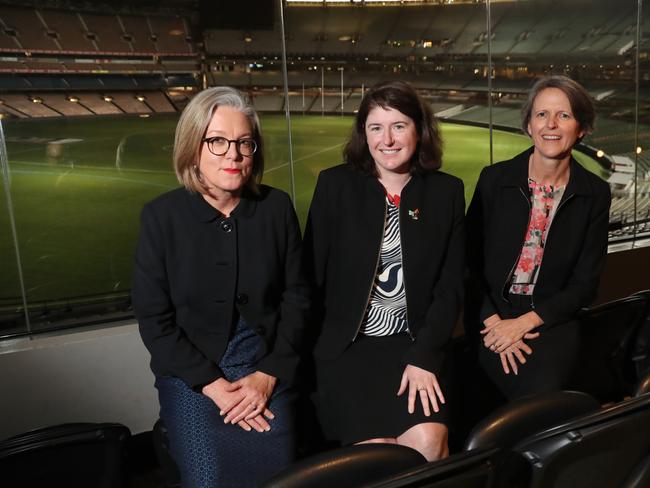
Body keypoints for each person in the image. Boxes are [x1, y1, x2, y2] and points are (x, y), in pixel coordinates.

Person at [132, 86, 309, 488]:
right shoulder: (162, 218)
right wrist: (214, 387)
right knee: (207, 480)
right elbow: (155, 322)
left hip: (265, 372)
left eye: (244, 143)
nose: (233, 154)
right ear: (193, 147)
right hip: (193, 379)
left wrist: (269, 375)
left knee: (279, 480)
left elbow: (298, 298)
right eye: (217, 141)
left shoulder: (276, 208)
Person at [304, 80, 465, 460]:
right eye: (376, 127)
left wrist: (425, 356)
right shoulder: (334, 186)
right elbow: (309, 279)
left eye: (399, 126)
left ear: (419, 130)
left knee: (428, 443)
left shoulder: (446, 192)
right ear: (364, 133)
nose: (387, 140)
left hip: (414, 347)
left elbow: (451, 287)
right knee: (377, 456)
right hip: (348, 350)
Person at [465, 75, 611, 400]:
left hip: (551, 318)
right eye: (541, 114)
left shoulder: (595, 193)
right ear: (529, 124)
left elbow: (585, 285)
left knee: (544, 392)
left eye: (564, 115)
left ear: (582, 128)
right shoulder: (495, 180)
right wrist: (495, 322)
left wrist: (524, 324)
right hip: (492, 314)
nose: (551, 125)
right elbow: (464, 263)